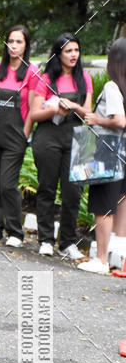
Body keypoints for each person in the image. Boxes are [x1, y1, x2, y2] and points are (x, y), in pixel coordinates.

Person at [30, 32, 93, 259]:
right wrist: (55, 109)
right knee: (47, 188)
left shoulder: (84, 78)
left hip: (78, 137)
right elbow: (35, 113)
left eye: (76, 50)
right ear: (58, 54)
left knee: (73, 192)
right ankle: (46, 240)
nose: (73, 55)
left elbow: (88, 114)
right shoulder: (47, 79)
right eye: (68, 51)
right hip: (49, 136)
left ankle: (67, 242)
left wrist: (74, 106)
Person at [0, 25, 39, 248]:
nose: (13, 46)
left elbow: (32, 108)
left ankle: (15, 232)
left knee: (7, 184)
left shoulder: (31, 72)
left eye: (18, 42)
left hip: (15, 137)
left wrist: (25, 135)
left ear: (26, 45)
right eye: (10, 41)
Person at [77, 38, 126, 275]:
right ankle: (118, 256)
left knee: (103, 206)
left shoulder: (112, 87)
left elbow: (119, 121)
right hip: (123, 152)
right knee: (121, 201)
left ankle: (101, 260)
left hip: (108, 150)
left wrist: (97, 119)